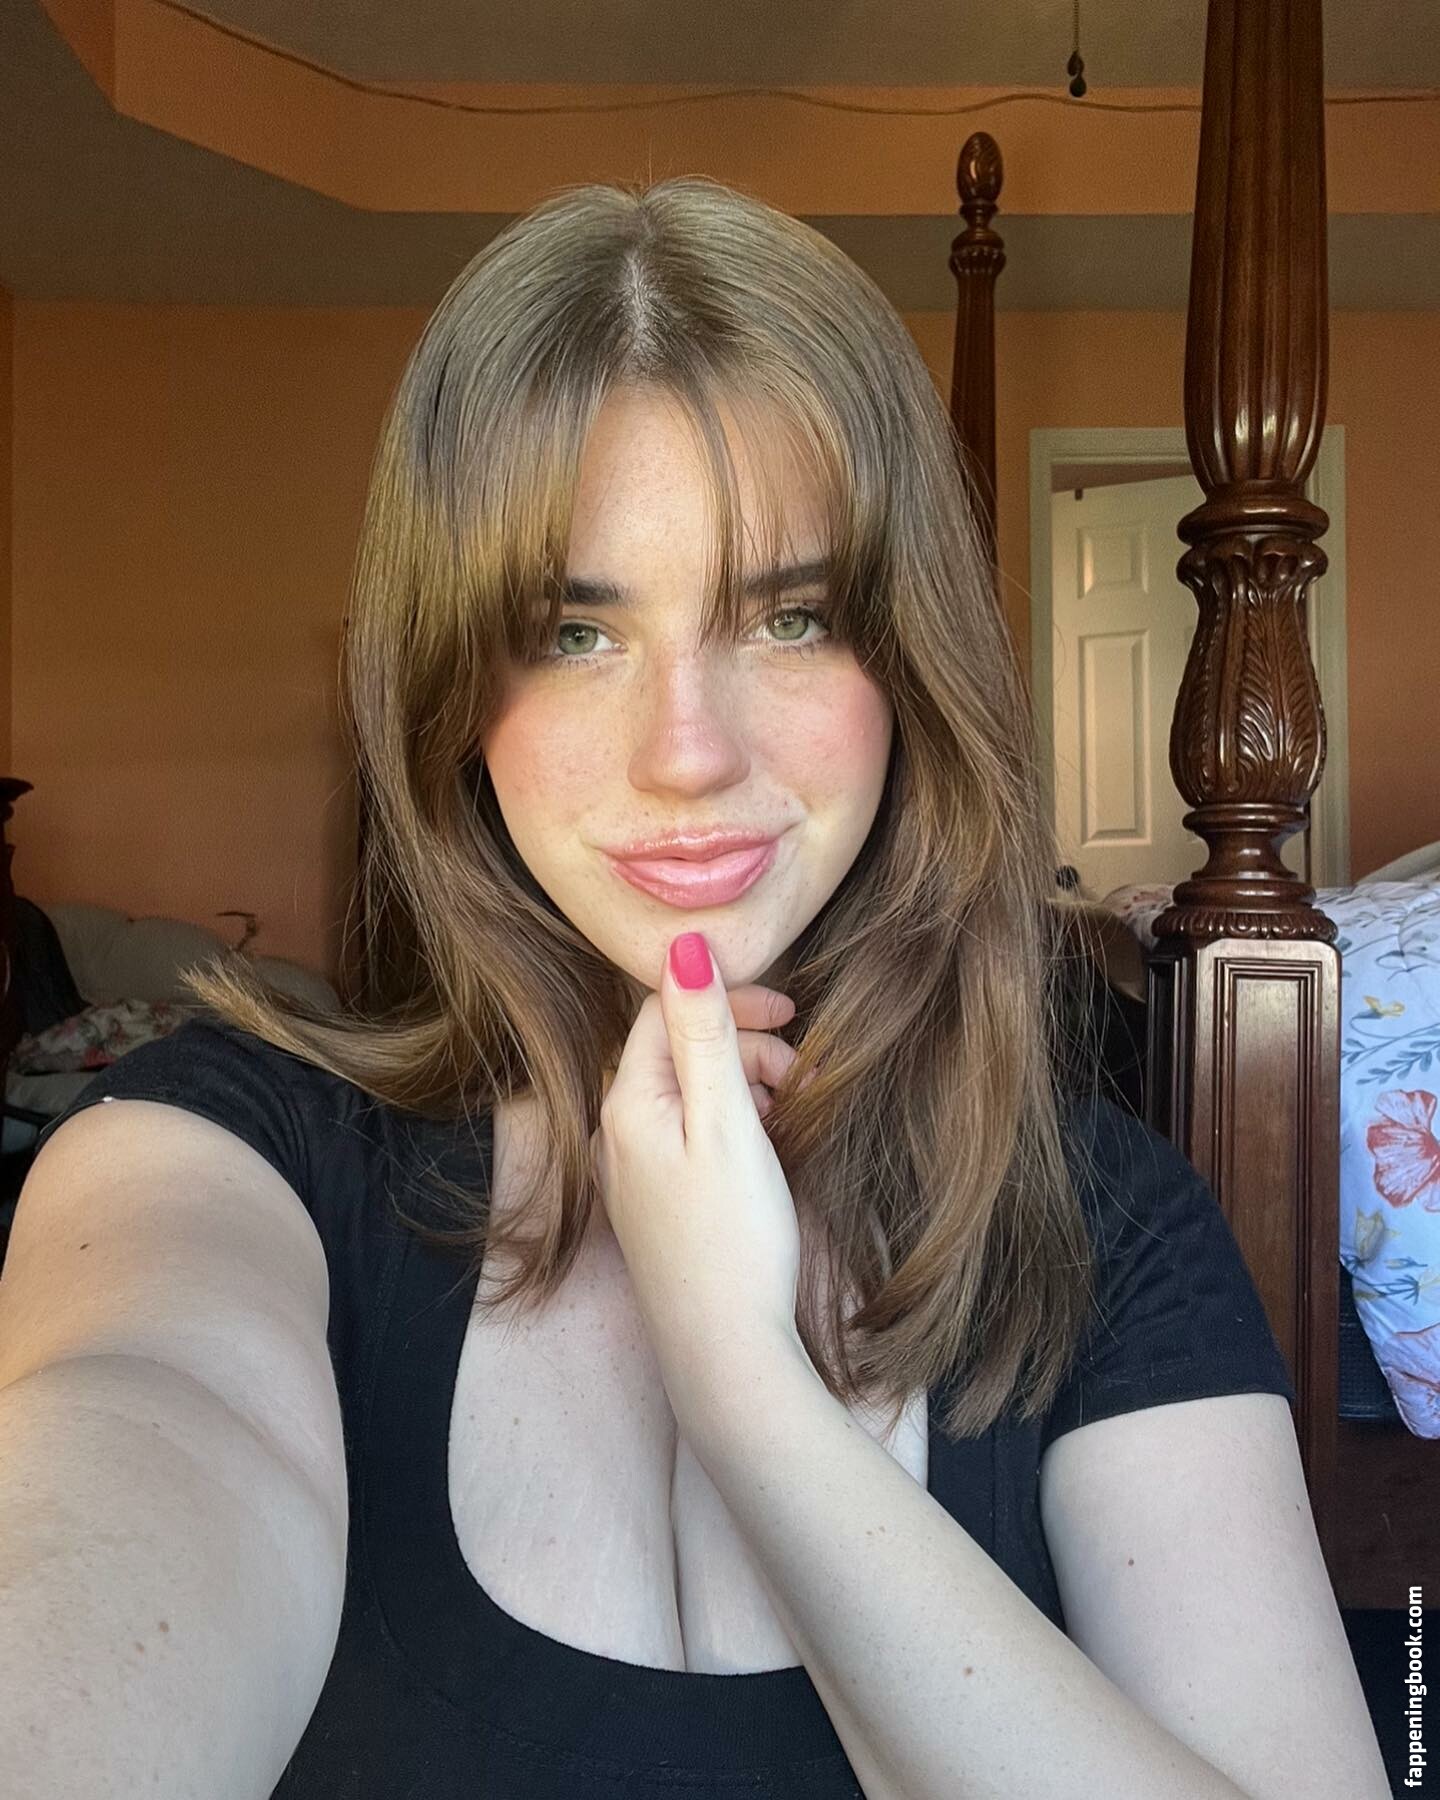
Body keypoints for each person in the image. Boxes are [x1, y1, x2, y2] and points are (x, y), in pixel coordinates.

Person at [3, 177, 1388, 1800]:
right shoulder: (216, 1157)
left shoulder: (1109, 1231)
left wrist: (745, 1388)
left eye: (790, 617)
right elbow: (120, 1484)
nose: (687, 754)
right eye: (572, 634)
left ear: (910, 665)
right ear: (453, 693)